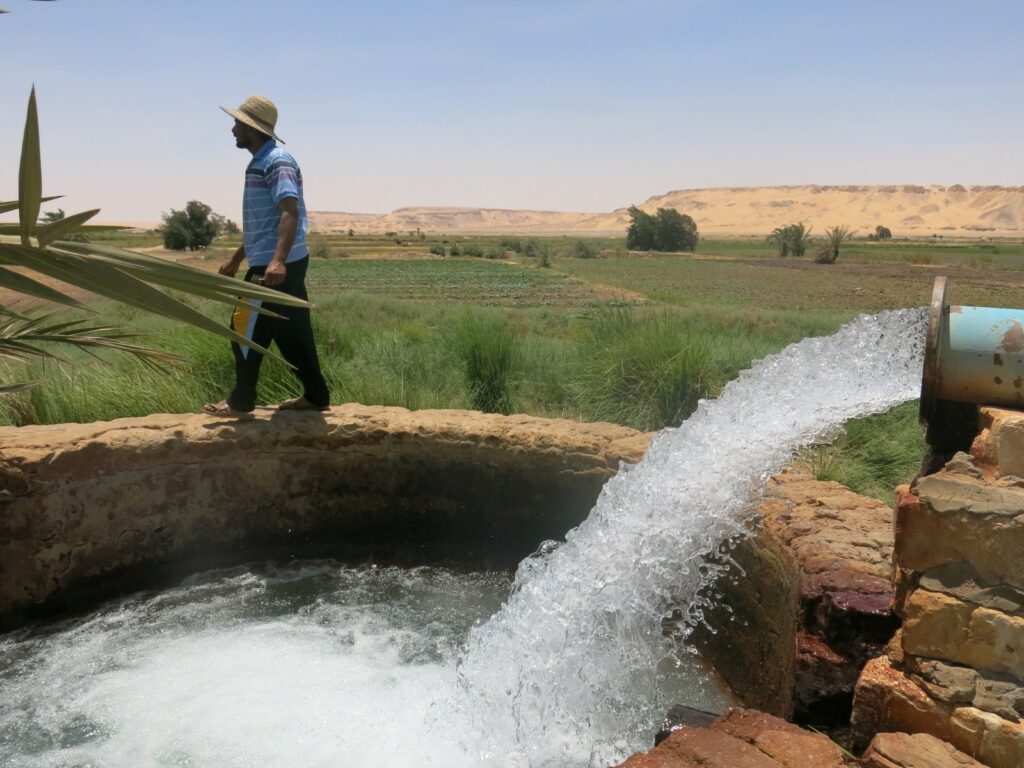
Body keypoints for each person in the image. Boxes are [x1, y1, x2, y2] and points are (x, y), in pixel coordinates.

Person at [202, 94, 330, 417]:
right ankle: (316, 395)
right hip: (280, 261)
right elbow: (264, 224)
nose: (233, 130)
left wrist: (278, 261)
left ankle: (241, 401)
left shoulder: (277, 161)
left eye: (237, 124)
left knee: (242, 328)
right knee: (291, 332)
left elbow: (289, 210)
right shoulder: (260, 162)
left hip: (278, 265)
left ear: (251, 128)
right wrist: (236, 259)